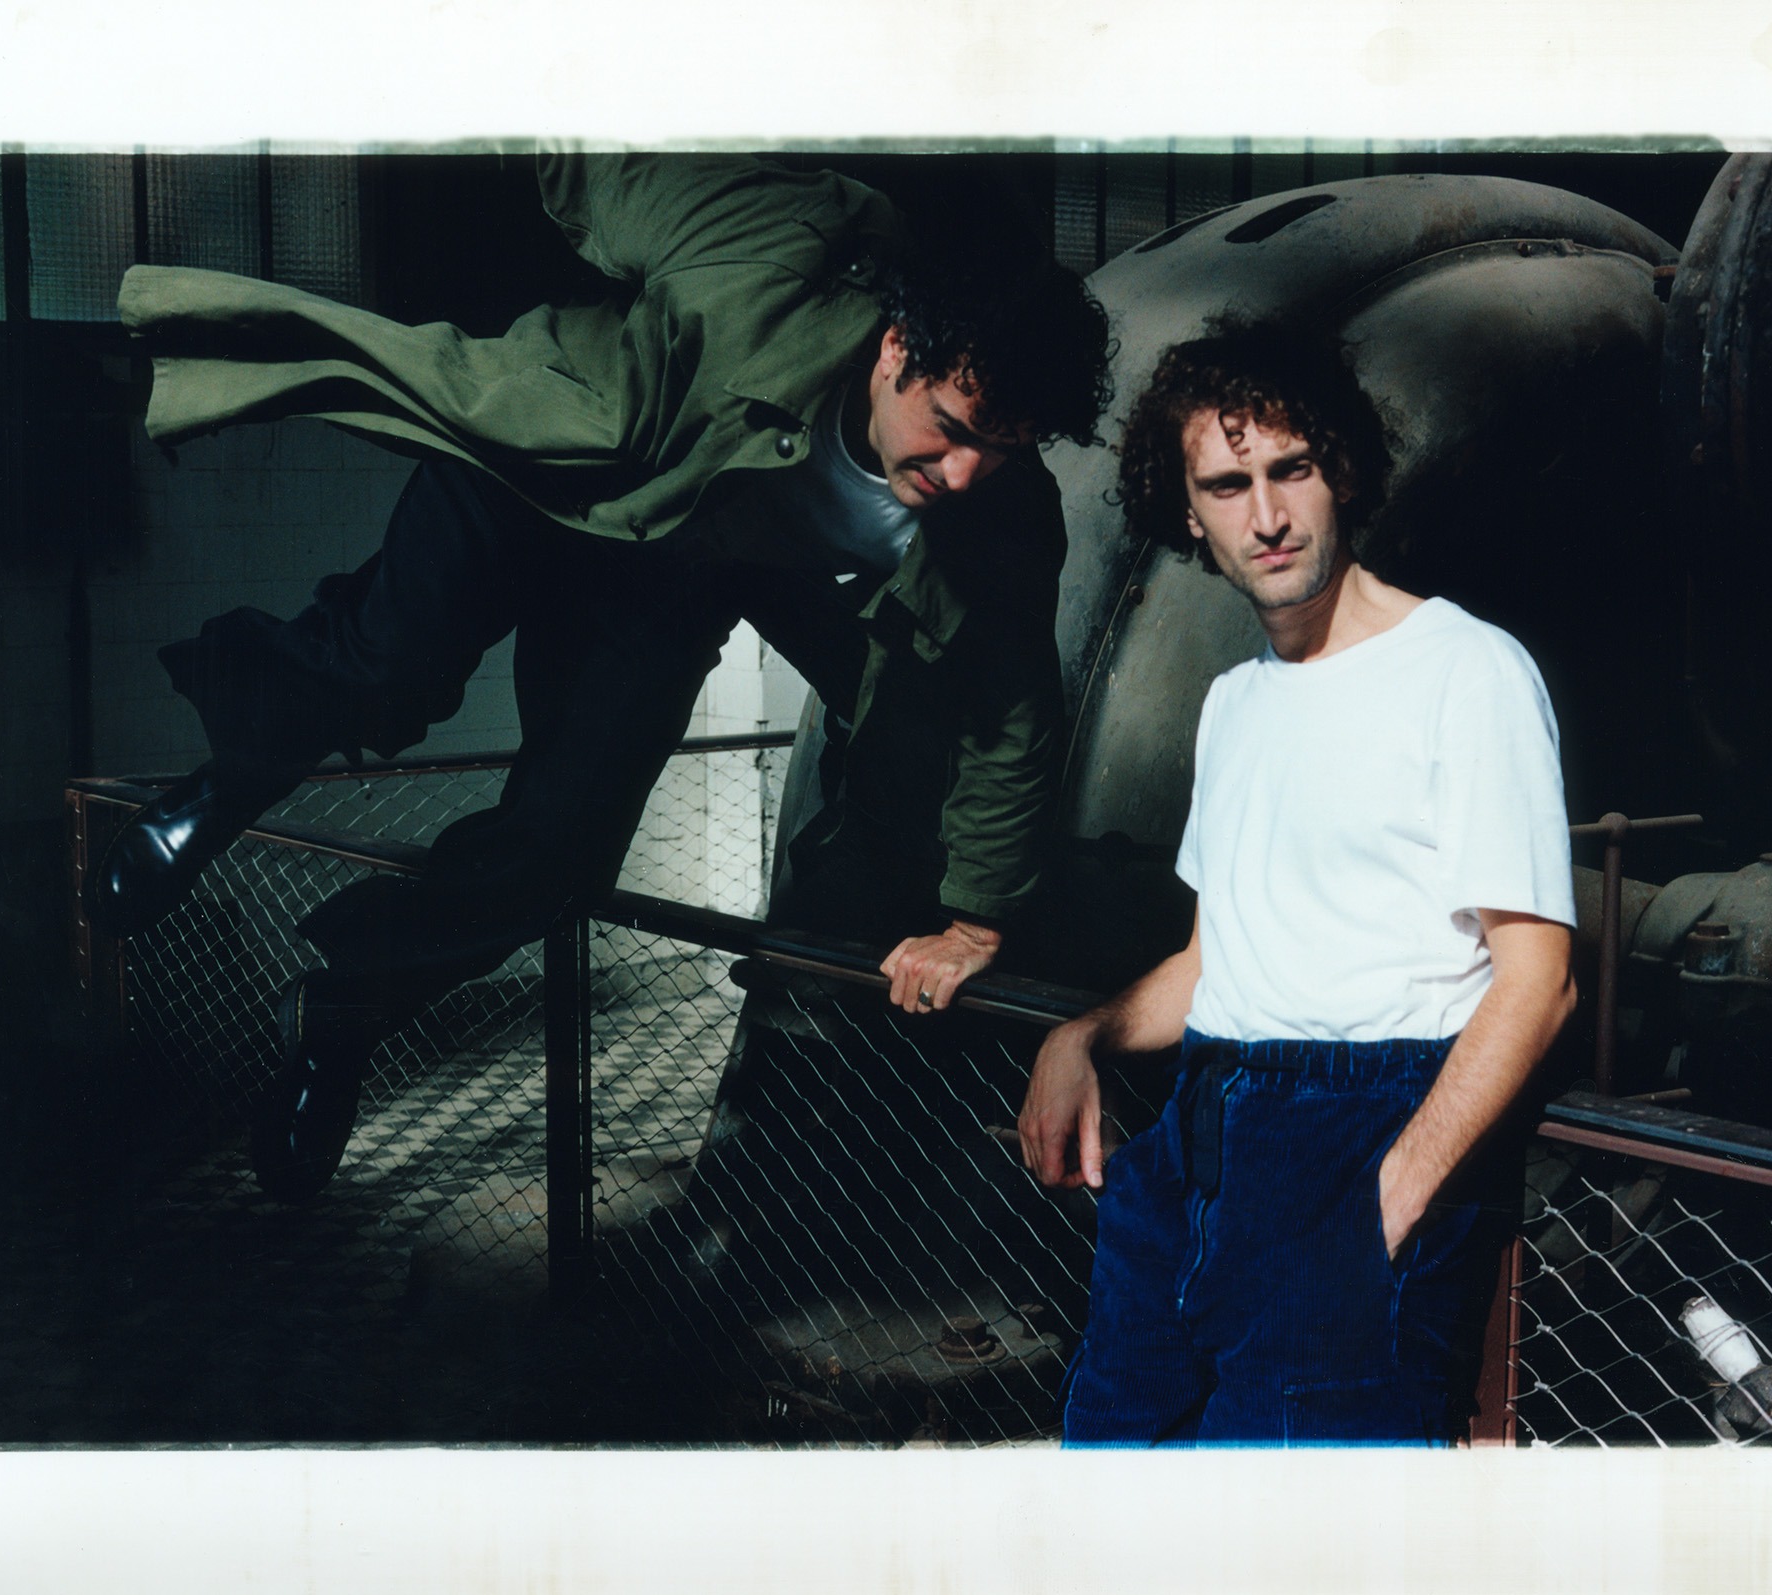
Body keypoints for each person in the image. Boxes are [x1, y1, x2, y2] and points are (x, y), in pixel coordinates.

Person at [94, 152, 1111, 1202]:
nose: (963, 472)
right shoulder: (777, 245)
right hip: (547, 466)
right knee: (387, 664)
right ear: (896, 346)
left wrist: (974, 921)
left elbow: (1010, 716)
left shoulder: (1000, 521)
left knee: (555, 853)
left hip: (667, 576)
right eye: (950, 427)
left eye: (1003, 448)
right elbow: (593, 162)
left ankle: (343, 1010)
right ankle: (225, 784)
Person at [1017, 318, 1577, 1445]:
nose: (1266, 516)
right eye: (1228, 486)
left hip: (1358, 1135)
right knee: (1109, 1482)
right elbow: (1215, 956)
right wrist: (1082, 1034)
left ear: (1343, 471)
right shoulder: (1233, 702)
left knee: (1292, 1519)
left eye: (1292, 469)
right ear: (1190, 514)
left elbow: (1539, 981)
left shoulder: (1465, 669)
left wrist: (1393, 1194)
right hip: (1197, 1138)